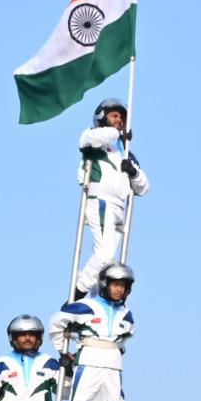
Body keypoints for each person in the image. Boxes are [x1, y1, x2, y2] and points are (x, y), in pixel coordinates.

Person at [49, 264, 134, 401]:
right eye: (115, 285)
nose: (119, 290)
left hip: (113, 368)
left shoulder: (126, 314)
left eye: (123, 286)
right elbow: (56, 323)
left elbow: (125, 337)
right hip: (89, 364)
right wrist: (63, 351)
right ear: (105, 284)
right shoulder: (87, 306)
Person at [74, 99, 148, 295]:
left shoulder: (124, 152)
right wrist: (117, 133)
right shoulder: (94, 136)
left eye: (122, 118)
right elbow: (85, 142)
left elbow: (144, 187)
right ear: (102, 117)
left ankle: (96, 299)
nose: (119, 120)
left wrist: (133, 172)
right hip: (101, 201)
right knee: (104, 255)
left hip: (119, 207)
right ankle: (77, 293)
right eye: (114, 116)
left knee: (110, 265)